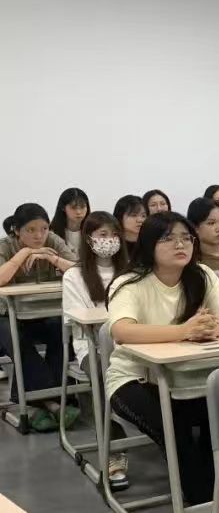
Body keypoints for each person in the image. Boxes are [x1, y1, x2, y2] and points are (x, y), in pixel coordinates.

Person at [105, 212, 219, 513]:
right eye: (168, 238)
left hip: (190, 378)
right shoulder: (130, 283)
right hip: (134, 379)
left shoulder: (202, 275)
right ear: (148, 245)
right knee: (177, 431)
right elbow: (122, 331)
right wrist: (183, 331)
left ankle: (210, 510)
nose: (180, 244)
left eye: (186, 237)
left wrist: (214, 328)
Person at [62, 211, 131, 488]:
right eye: (103, 235)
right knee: (105, 374)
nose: (110, 240)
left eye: (114, 234)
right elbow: (78, 320)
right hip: (90, 346)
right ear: (88, 239)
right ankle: (114, 448)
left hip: (130, 343)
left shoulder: (131, 271)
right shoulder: (74, 275)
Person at [0, 203, 78, 431]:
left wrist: (53, 259)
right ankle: (54, 401)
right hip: (4, 315)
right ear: (17, 231)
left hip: (41, 313)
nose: (39, 235)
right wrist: (24, 254)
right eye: (31, 230)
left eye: (44, 229)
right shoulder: (5, 246)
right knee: (16, 337)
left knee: (61, 329)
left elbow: (78, 271)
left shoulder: (52, 241)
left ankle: (41, 402)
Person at [49, 187, 90, 253]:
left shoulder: (92, 231)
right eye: (73, 207)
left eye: (82, 207)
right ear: (63, 208)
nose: (78, 212)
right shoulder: (51, 233)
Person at [113, 195, 147, 260]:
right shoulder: (112, 245)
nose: (140, 220)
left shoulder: (151, 243)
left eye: (143, 216)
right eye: (133, 215)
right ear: (120, 217)